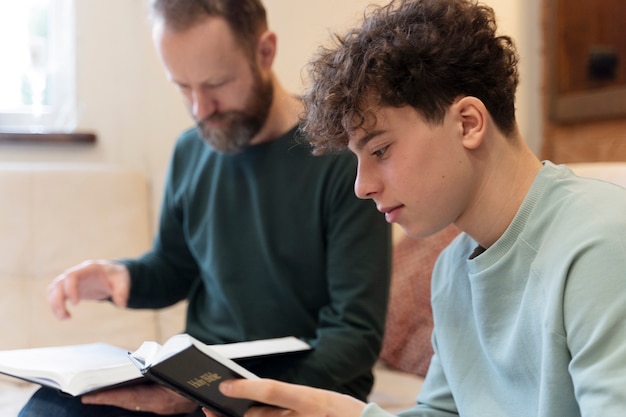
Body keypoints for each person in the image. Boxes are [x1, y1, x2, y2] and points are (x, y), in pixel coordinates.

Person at [199, 0, 626, 416]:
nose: (362, 187)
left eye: (381, 150)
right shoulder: (452, 273)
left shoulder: (602, 241)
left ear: (468, 123)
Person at [18, 1, 391, 416]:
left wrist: (236, 394)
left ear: (264, 52)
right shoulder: (191, 149)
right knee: (51, 408)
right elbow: (174, 267)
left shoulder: (345, 158)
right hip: (196, 382)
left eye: (216, 84)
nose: (200, 108)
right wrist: (120, 277)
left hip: (299, 391)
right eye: (182, 86)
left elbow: (354, 334)